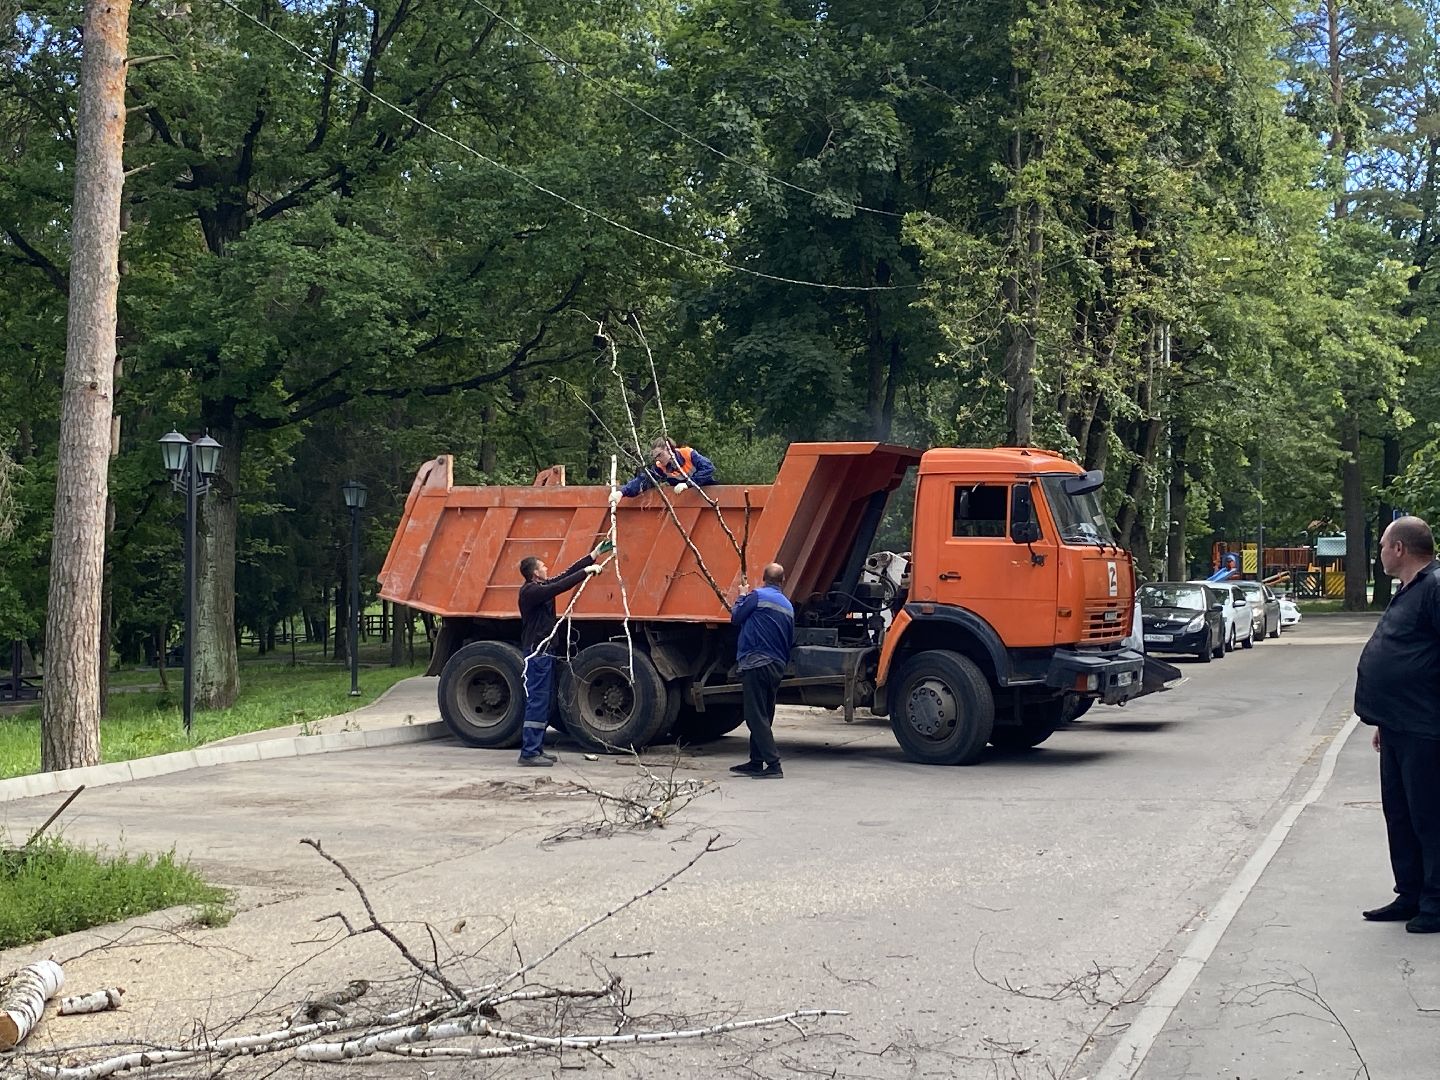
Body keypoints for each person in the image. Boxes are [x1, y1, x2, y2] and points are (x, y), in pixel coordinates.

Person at [1356, 516, 1440, 932]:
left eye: (1383, 546)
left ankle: (1436, 904)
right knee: (1401, 814)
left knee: (1429, 817)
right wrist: (1383, 720)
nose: (1381, 554)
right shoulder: (1409, 589)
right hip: (1397, 724)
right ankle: (1410, 894)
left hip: (1427, 727)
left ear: (1400, 549)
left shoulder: (1435, 587)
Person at [517, 539, 612, 766]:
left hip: (545, 651)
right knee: (538, 701)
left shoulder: (541, 587)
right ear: (535, 573)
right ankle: (529, 753)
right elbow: (559, 586)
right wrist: (586, 572)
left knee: (545, 701)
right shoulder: (530, 591)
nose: (546, 568)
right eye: (543, 566)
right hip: (537, 653)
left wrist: (593, 555)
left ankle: (536, 749)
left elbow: (564, 576)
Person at [728, 562, 794, 780]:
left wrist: (742, 595)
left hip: (756, 662)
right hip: (776, 665)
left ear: (763, 578)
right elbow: (789, 639)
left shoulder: (757, 596)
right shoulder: (787, 605)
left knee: (754, 716)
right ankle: (756, 762)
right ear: (783, 580)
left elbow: (736, 617)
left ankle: (774, 765)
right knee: (765, 714)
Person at [611, 438, 716, 502]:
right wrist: (622, 492)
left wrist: (688, 484)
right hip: (685, 502)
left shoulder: (688, 453)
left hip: (707, 495)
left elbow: (708, 468)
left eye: (660, 455)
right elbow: (643, 481)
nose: (658, 459)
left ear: (669, 449)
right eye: (655, 457)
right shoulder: (660, 467)